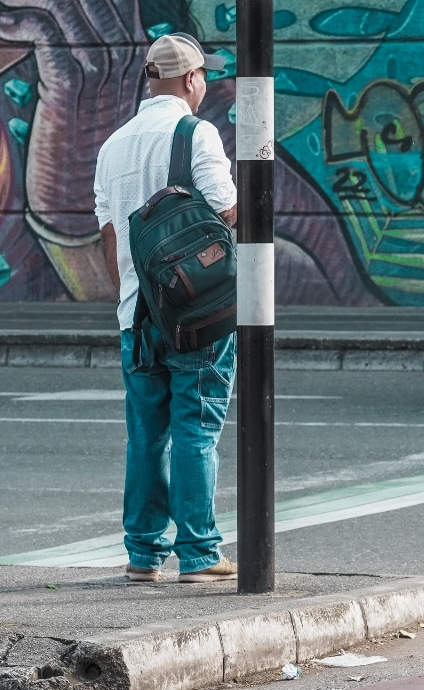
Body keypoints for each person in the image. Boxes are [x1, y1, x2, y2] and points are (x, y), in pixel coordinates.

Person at [93, 32, 239, 583]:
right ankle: (199, 553)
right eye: (205, 76)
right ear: (192, 79)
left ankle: (143, 553)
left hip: (135, 314)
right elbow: (225, 208)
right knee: (196, 427)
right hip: (195, 314)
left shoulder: (113, 145)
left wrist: (131, 293)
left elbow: (109, 232)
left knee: (146, 436)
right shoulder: (196, 134)